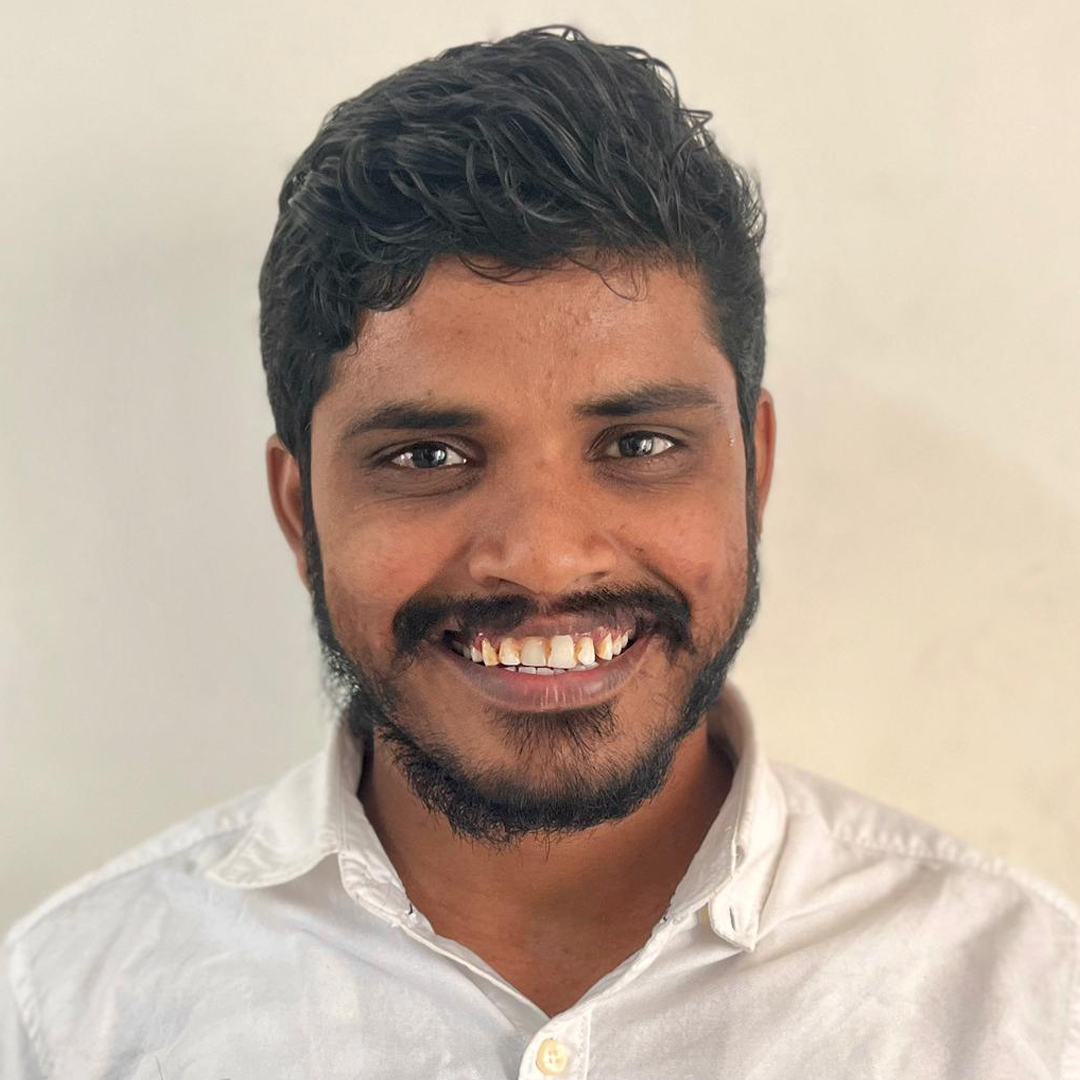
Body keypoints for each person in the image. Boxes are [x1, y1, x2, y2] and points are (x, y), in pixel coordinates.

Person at [3, 24, 1077, 1079]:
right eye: (427, 456)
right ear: (300, 513)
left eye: (639, 445)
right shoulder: (70, 1015)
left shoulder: (1028, 1008)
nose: (547, 560)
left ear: (752, 472)